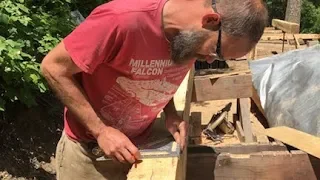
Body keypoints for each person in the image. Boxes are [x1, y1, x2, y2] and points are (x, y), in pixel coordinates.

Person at [40, 0, 268, 179]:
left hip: (142, 147)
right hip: (89, 155)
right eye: (216, 52)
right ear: (210, 20)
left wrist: (170, 113)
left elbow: (157, 74)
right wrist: (101, 131)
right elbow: (53, 67)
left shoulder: (189, 40)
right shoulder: (122, 20)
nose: (209, 61)